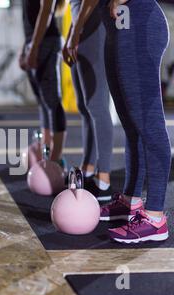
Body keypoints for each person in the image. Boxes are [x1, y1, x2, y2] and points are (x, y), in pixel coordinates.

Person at [66, 0, 171, 243]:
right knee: (132, 126)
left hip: (138, 23)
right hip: (119, 28)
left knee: (148, 123)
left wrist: (76, 29)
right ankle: (130, 201)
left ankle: (155, 217)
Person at [63, 0, 113, 201]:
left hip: (93, 29)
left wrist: (75, 33)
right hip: (81, 30)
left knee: (97, 105)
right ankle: (89, 167)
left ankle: (104, 181)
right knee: (85, 107)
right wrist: (70, 36)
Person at [19, 0, 67, 166]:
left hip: (45, 42)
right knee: (43, 102)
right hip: (34, 42)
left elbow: (45, 12)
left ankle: (56, 157)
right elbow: (29, 20)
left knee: (52, 100)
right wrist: (24, 47)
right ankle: (46, 149)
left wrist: (34, 47)